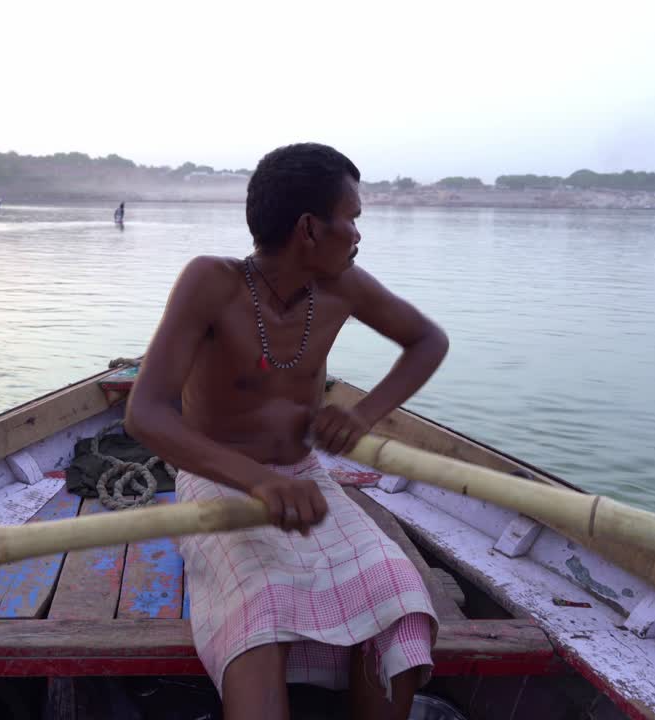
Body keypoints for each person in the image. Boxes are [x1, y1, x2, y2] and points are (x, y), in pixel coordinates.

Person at [125, 143, 450, 720]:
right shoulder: (212, 282)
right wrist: (257, 482)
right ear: (308, 228)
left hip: (305, 479)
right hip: (217, 480)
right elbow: (146, 413)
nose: (356, 234)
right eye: (350, 218)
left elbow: (428, 340)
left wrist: (362, 413)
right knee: (262, 604)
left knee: (397, 595)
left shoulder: (344, 286)